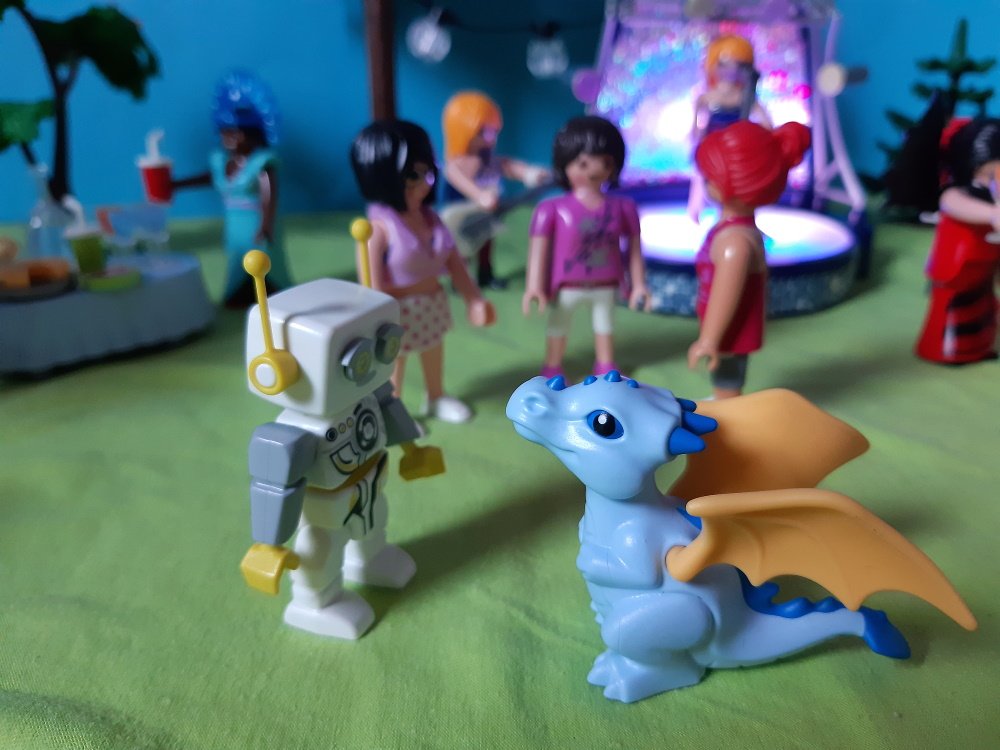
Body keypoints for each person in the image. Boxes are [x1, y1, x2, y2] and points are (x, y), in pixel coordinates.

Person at [350, 119, 496, 423]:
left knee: (433, 351)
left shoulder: (430, 218)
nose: (426, 183)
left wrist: (474, 299)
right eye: (413, 176)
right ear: (383, 177)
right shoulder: (377, 230)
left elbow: (454, 262)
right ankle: (390, 408)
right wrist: (376, 322)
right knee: (394, 362)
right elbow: (370, 288)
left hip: (431, 303)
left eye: (428, 172)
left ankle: (436, 395)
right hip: (396, 312)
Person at [687, 120, 810, 398]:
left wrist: (709, 339)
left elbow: (725, 295)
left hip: (732, 326)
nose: (705, 182)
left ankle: (728, 407)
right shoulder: (737, 232)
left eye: (709, 178)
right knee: (726, 372)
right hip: (728, 324)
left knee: (728, 373)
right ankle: (725, 400)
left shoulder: (735, 243)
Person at [523, 115, 651, 379]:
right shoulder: (551, 209)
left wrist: (639, 284)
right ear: (565, 164)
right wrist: (534, 286)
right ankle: (552, 365)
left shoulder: (623, 208)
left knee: (605, 325)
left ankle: (605, 364)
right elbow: (538, 249)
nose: (594, 169)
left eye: (605, 162)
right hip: (567, 286)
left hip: (606, 284)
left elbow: (634, 250)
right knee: (558, 324)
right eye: (583, 163)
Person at [172, 70, 291, 307]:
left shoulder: (261, 162)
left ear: (253, 134)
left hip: (256, 221)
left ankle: (272, 294)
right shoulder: (222, 162)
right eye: (225, 132)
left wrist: (266, 223)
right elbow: (210, 178)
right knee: (238, 259)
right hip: (235, 223)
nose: (229, 138)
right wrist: (177, 184)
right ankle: (239, 293)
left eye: (236, 133)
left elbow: (269, 192)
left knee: (264, 260)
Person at [915, 118, 1000, 364]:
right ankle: (945, 351)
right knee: (952, 312)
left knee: (983, 309)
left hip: (982, 267)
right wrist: (992, 214)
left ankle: (979, 348)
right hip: (958, 267)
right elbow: (951, 203)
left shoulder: (992, 197)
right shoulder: (958, 194)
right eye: (991, 172)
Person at [442, 91, 547, 289]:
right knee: (462, 247)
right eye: (484, 131)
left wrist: (529, 173)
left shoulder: (488, 159)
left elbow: (507, 165)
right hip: (462, 215)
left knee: (486, 244)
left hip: (486, 213)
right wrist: (480, 196)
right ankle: (460, 279)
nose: (491, 137)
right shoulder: (456, 164)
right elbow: (461, 182)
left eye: (493, 131)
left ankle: (485, 275)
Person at [688, 35, 772, 224]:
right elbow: (696, 129)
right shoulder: (706, 98)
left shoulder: (746, 98)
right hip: (711, 148)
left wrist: (757, 138)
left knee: (738, 186)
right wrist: (697, 142)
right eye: (724, 63)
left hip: (737, 150)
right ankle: (697, 210)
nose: (732, 69)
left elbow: (767, 123)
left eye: (740, 64)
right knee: (705, 180)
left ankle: (737, 218)